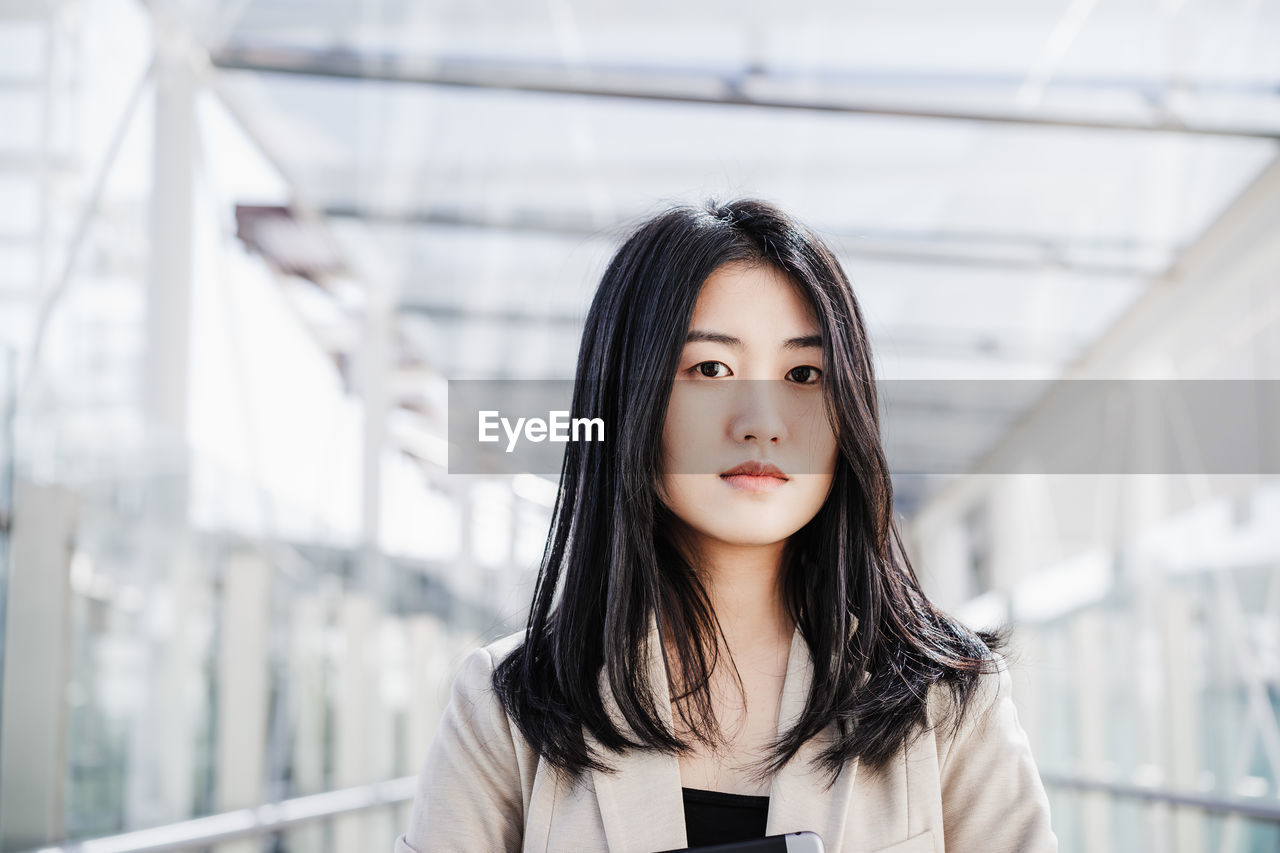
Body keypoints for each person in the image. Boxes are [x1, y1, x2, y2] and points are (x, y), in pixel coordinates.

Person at [395, 199, 1057, 853]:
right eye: (711, 369)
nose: (761, 420)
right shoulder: (507, 703)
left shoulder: (948, 699)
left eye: (804, 374)